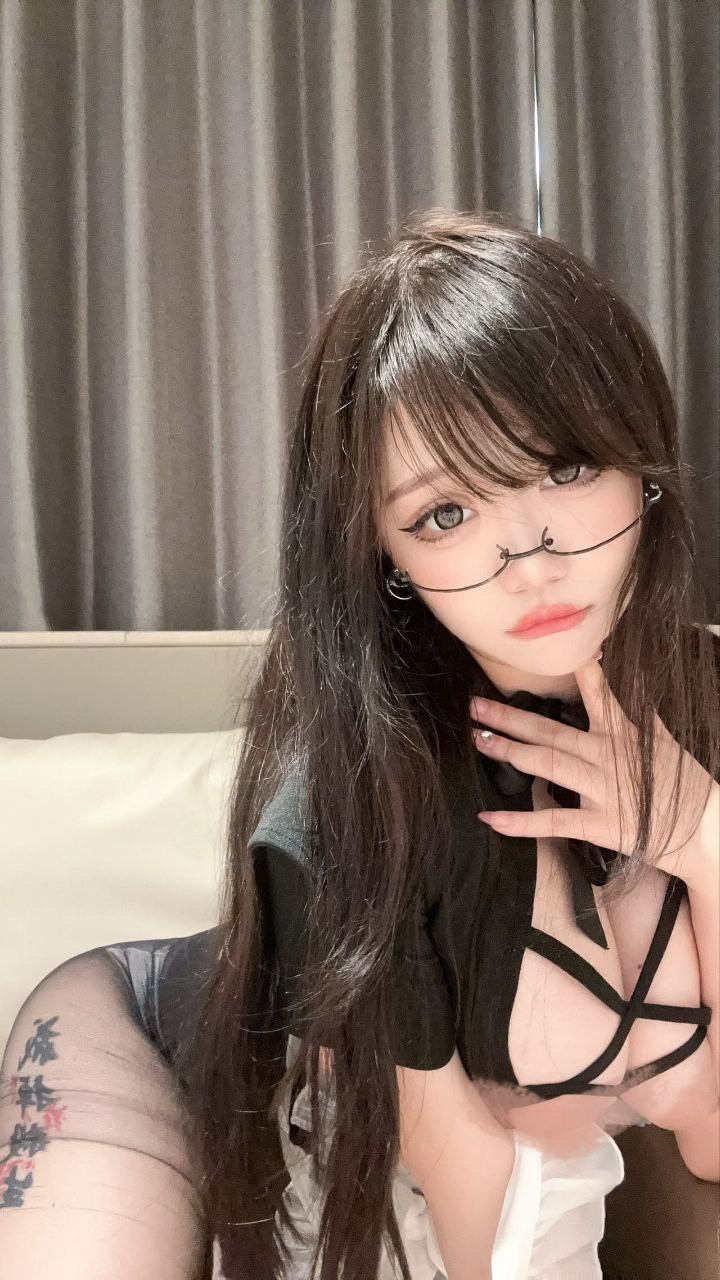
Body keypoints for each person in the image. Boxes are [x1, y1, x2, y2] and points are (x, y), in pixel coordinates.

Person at [1, 210, 718, 1280]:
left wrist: (705, 839)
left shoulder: (699, 706)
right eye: (444, 514)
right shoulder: (347, 803)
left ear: (640, 458)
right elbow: (476, 1209)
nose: (531, 559)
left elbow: (711, 1136)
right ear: (381, 552)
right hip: (149, 1050)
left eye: (565, 468)